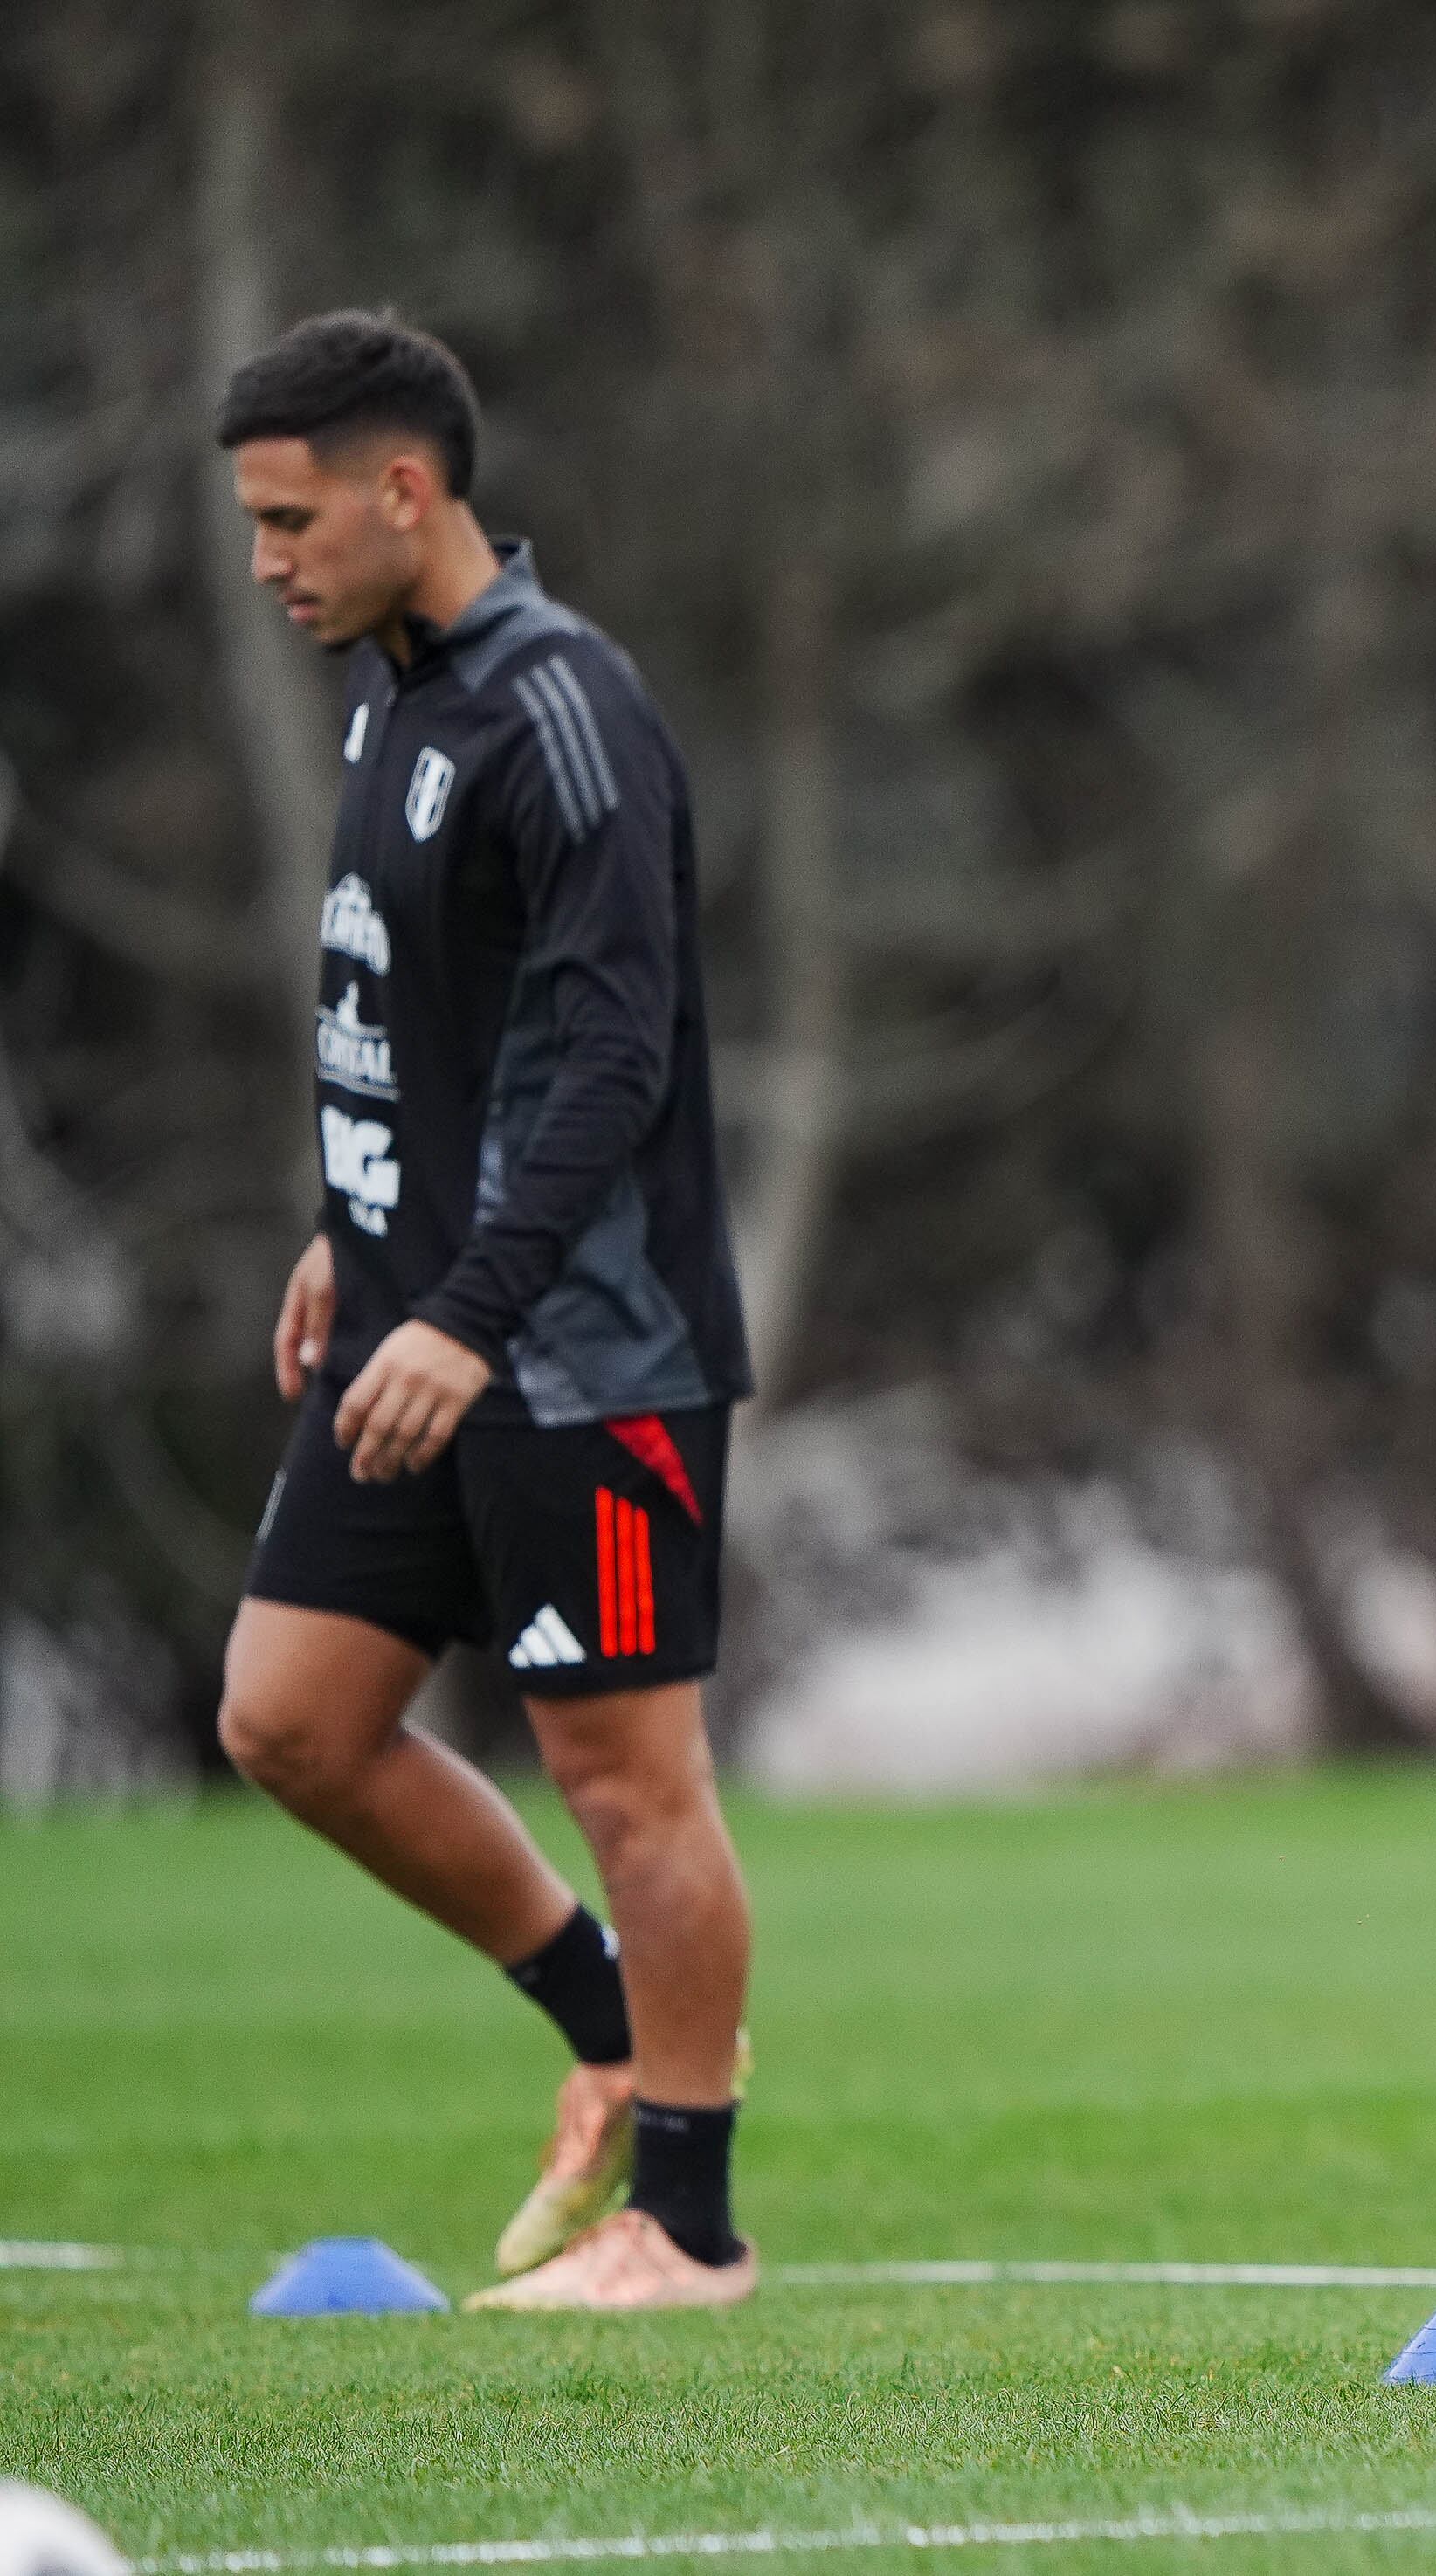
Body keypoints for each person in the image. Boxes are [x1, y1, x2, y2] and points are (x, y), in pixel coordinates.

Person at [212, 311, 761, 2311]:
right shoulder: (396, 696)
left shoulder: (562, 712)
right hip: (419, 1310)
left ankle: (690, 2230)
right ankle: (606, 2019)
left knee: (628, 1779)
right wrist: (351, 1229)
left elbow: (613, 1063)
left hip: (577, 1349)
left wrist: (460, 1298)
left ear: (404, 490)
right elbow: (436, 1019)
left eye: (290, 520)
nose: (268, 559)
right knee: (289, 1716)